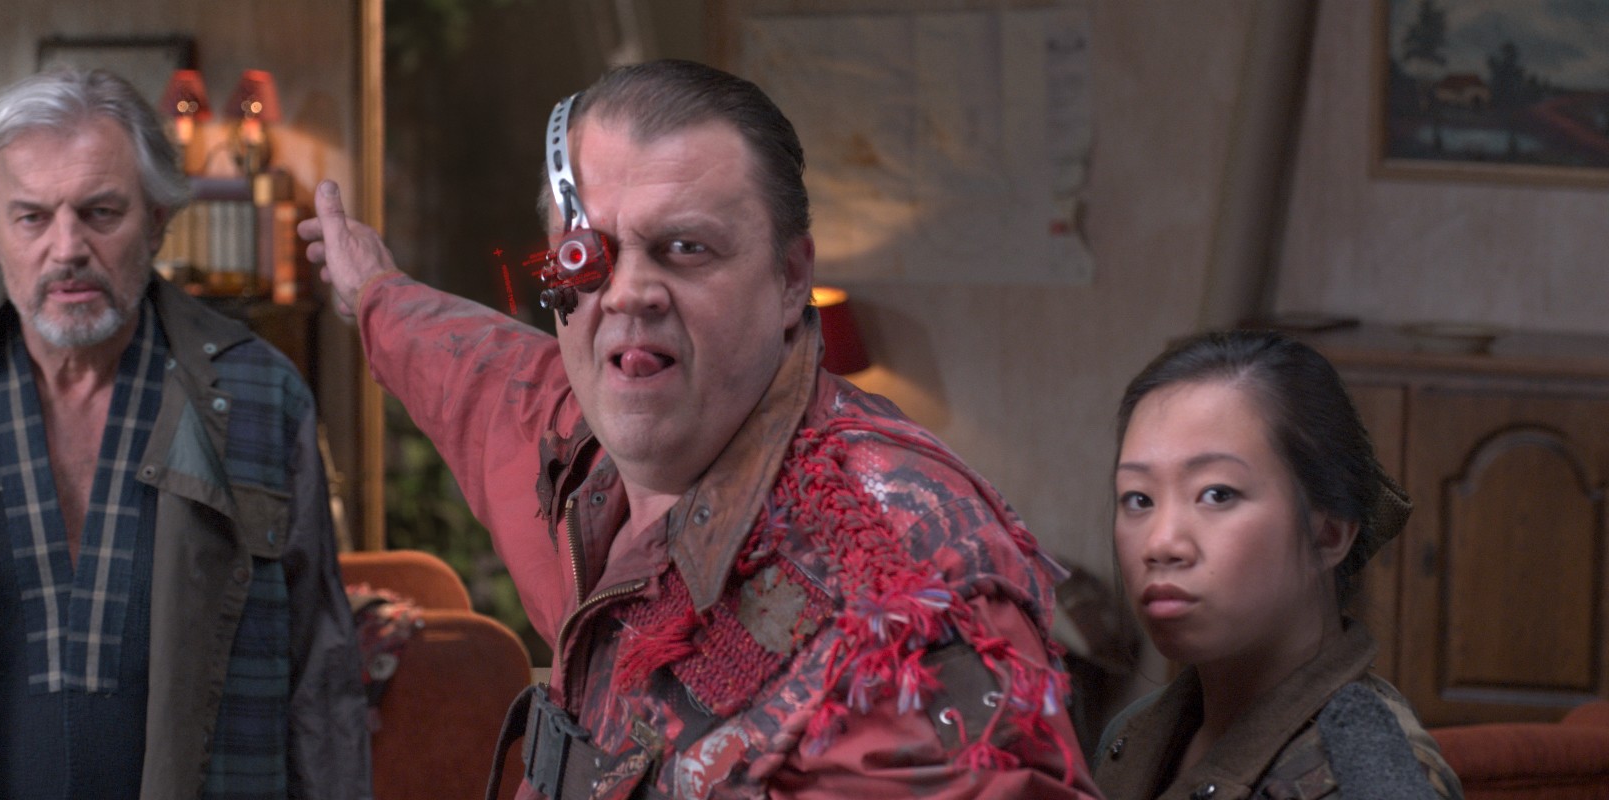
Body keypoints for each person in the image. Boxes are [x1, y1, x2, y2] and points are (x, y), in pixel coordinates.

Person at [303, 59, 1098, 798]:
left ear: (790, 279)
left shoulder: (902, 583)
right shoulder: (576, 449)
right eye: (589, 255)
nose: (628, 293)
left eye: (685, 248)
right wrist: (372, 290)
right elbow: (474, 374)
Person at [0, 68, 370, 800]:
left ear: (157, 219)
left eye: (101, 213)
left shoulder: (263, 397)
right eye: (32, 217)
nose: (66, 248)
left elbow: (320, 674)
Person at [1095, 330, 1461, 799]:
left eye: (1217, 494)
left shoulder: (1367, 780)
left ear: (1328, 534)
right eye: (1139, 499)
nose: (1160, 543)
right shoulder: (1131, 736)